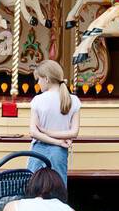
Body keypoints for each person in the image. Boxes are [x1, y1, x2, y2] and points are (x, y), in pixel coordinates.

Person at [27, 60, 80, 188]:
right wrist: (58, 142)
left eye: (38, 79)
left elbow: (33, 132)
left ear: (46, 79)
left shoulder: (38, 100)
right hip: (60, 150)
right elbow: (74, 132)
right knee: (59, 184)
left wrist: (46, 132)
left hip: (39, 148)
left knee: (32, 184)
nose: (38, 83)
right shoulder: (73, 100)